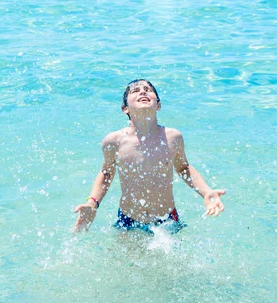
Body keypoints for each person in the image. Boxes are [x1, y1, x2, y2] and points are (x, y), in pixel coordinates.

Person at [74, 79, 225, 233]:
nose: (143, 91)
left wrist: (206, 192)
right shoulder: (114, 141)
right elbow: (106, 173)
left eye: (148, 89)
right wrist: (93, 203)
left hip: (167, 218)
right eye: (135, 91)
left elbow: (184, 168)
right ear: (125, 108)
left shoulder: (172, 137)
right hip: (128, 219)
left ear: (158, 105)